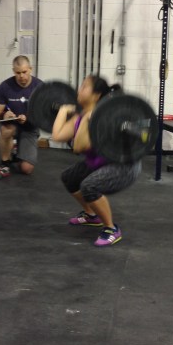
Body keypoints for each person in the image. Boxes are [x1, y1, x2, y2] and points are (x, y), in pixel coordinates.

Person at [52, 75, 142, 247]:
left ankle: (111, 229)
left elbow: (78, 147)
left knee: (89, 186)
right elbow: (57, 135)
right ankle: (92, 215)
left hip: (123, 166)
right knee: (70, 177)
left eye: (84, 86)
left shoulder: (103, 117)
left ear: (96, 94)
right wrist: (63, 111)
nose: (79, 89)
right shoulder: (82, 116)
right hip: (100, 162)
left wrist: (87, 119)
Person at [0, 55, 42, 179]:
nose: (21, 76)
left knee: (26, 169)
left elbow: (44, 113)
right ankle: (5, 165)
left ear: (30, 69)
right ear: (13, 71)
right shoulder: (5, 86)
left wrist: (28, 118)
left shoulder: (40, 87)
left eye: (24, 72)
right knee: (7, 130)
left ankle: (16, 151)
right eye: (18, 73)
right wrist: (3, 114)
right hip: (12, 124)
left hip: (29, 127)